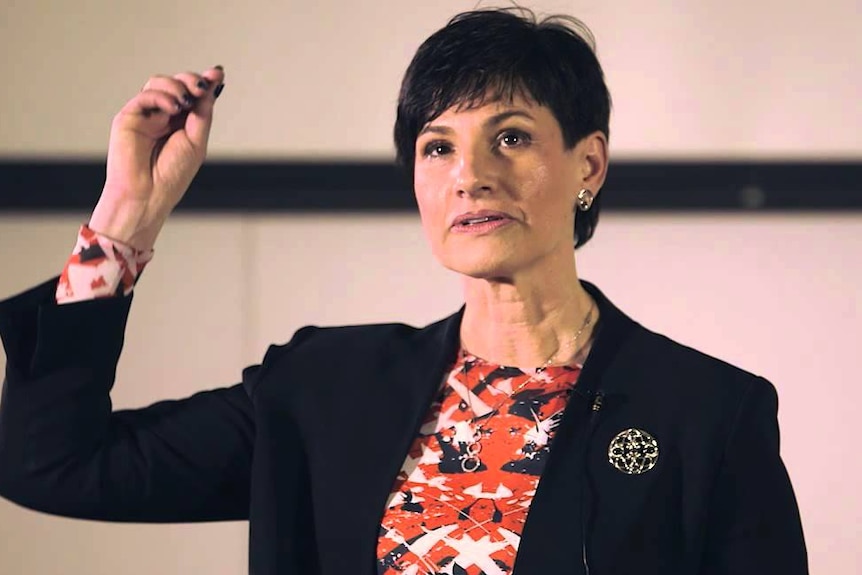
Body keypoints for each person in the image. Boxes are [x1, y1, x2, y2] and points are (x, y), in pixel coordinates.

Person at [0, 7, 807, 575]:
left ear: (588, 166)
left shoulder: (707, 412)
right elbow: (54, 463)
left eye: (512, 137)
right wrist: (125, 220)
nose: (471, 176)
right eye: (437, 147)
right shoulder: (324, 389)